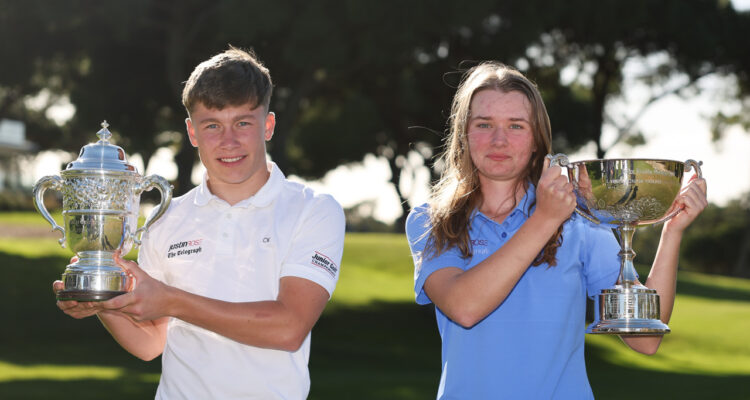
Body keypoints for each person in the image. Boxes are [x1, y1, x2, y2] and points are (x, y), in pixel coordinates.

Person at [54, 47, 345, 399]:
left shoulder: (313, 210)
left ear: (267, 125)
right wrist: (104, 303)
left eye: (242, 123)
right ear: (192, 133)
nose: (228, 141)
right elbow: (151, 343)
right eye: (212, 126)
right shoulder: (166, 217)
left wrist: (171, 300)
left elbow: (288, 327)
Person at [405, 62, 707, 399]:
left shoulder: (581, 221)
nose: (499, 139)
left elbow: (645, 338)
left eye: (516, 126)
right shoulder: (433, 220)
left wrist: (672, 233)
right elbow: (465, 308)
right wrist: (545, 219)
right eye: (484, 124)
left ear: (537, 139)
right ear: (464, 134)